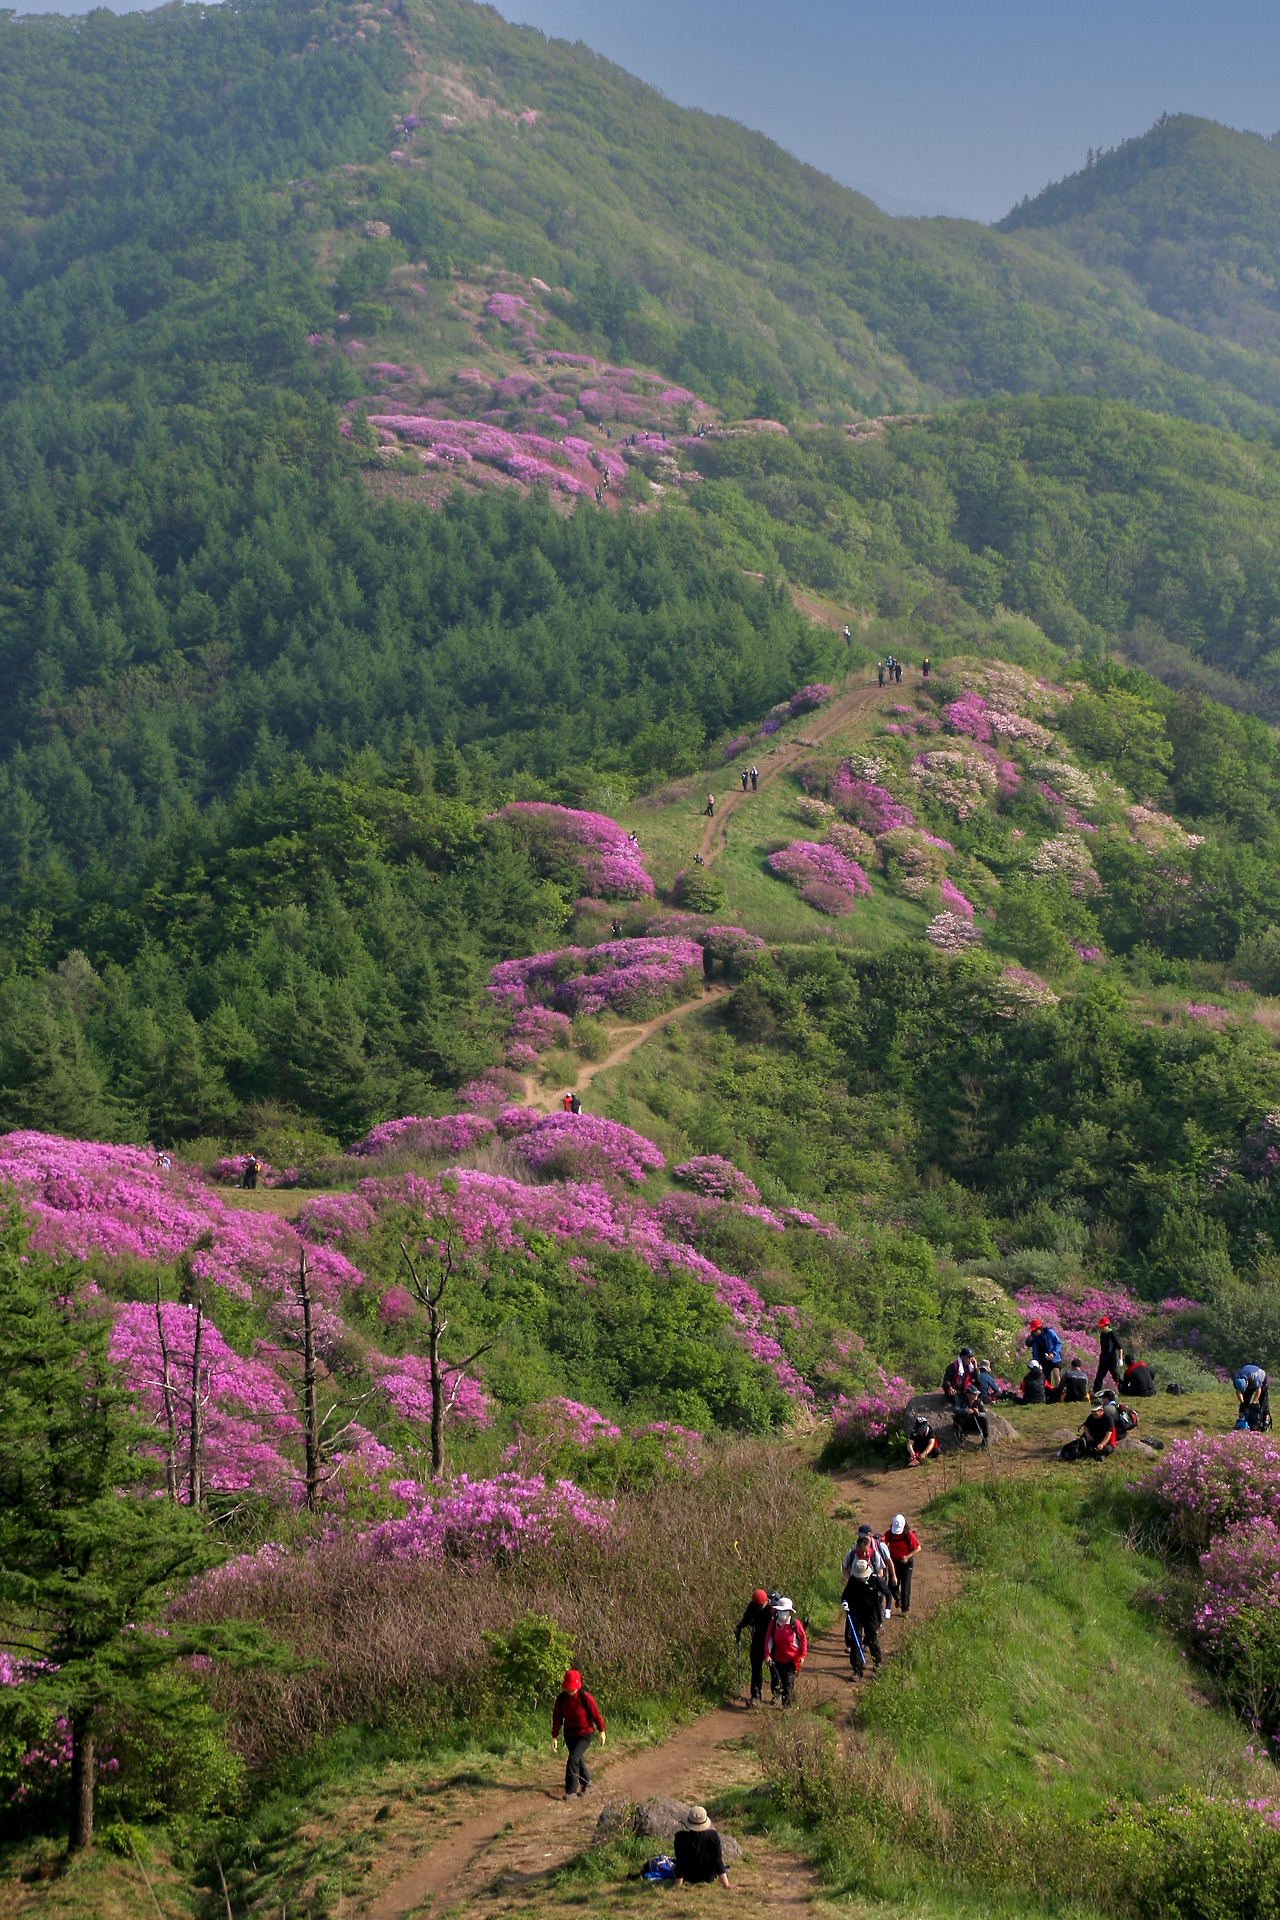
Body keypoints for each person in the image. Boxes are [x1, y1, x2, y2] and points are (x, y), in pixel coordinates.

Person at [551, 1669, 605, 1797]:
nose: (570, 1691)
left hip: (585, 1734)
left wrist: (601, 1730)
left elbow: (596, 1715)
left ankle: (571, 1790)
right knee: (577, 1759)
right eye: (568, 1688)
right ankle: (587, 1784)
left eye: (573, 1688)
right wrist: (554, 1736)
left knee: (573, 1758)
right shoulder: (561, 1699)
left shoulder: (585, 1697)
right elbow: (557, 1718)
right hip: (569, 1735)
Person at [841, 1556, 889, 1674]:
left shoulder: (875, 1580)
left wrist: (888, 1608)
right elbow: (845, 1594)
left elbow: (887, 1593)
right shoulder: (853, 1580)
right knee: (856, 1641)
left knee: (872, 1639)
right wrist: (844, 1602)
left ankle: (877, 1661)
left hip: (871, 1614)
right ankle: (857, 1669)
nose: (860, 1578)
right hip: (855, 1613)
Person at [673, 1806, 730, 1889]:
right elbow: (718, 1861)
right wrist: (726, 1884)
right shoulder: (713, 1836)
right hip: (708, 1877)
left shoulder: (680, 1837)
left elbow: (680, 1862)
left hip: (688, 1877)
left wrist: (678, 1885)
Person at [734, 1588, 774, 1706]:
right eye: (756, 1606)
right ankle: (755, 1697)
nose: (758, 1608)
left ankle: (777, 1694)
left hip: (772, 1640)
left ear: (766, 1601)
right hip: (758, 1638)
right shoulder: (753, 1605)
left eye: (760, 1606)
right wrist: (739, 1627)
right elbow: (746, 1618)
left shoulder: (773, 1608)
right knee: (756, 1667)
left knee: (773, 1667)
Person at [764, 1598, 807, 1705]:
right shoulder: (773, 1624)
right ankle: (791, 1699)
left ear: (789, 1612)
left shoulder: (795, 1624)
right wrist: (767, 1655)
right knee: (783, 1682)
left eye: (785, 1611)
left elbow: (803, 1639)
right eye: (780, 1611)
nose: (782, 1613)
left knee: (788, 1681)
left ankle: (787, 1707)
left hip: (793, 1660)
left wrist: (802, 1655)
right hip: (778, 1659)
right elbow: (768, 1639)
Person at [884, 1513, 921, 1614]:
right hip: (894, 1563)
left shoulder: (908, 1535)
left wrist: (907, 1557)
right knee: (892, 1585)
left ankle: (905, 1609)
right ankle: (898, 1598)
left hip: (906, 1563)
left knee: (905, 1586)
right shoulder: (890, 1534)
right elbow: (883, 1542)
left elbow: (918, 1548)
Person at [953, 1379, 990, 1448]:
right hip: (965, 1423)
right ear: (968, 1394)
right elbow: (955, 1409)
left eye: (977, 1394)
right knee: (957, 1416)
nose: (976, 1395)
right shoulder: (961, 1400)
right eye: (974, 1394)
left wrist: (978, 1413)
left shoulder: (979, 1402)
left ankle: (985, 1439)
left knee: (984, 1419)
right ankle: (960, 1434)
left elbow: (984, 1414)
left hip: (975, 1424)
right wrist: (965, 1410)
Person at [1025, 1318, 1062, 1385]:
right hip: (1042, 1360)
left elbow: (1058, 1343)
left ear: (1040, 1328)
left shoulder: (1049, 1332)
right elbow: (1028, 1344)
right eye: (1033, 1330)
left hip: (1054, 1358)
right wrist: (1028, 1340)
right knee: (1045, 1379)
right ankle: (1048, 1391)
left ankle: (1058, 1390)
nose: (1034, 1332)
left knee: (1056, 1374)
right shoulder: (1033, 1336)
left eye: (1035, 1330)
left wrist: (1053, 1353)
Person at [1234, 1364, 1270, 1430]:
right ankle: (1240, 1420)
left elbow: (1259, 1390)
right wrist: (1242, 1403)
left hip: (1261, 1379)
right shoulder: (1236, 1378)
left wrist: (1254, 1402)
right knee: (1245, 1401)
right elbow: (1238, 1391)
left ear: (1247, 1383)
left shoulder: (1254, 1377)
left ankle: (1266, 1421)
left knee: (1263, 1401)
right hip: (1248, 1380)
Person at [1095, 1317, 1124, 1394]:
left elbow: (1120, 1347)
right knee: (1099, 1375)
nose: (1101, 1328)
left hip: (1111, 1358)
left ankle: (1122, 1390)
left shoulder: (1112, 1334)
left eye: (1103, 1326)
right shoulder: (1102, 1334)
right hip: (1103, 1357)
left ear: (1107, 1325)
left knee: (1115, 1375)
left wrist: (1120, 1358)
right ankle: (1096, 1391)